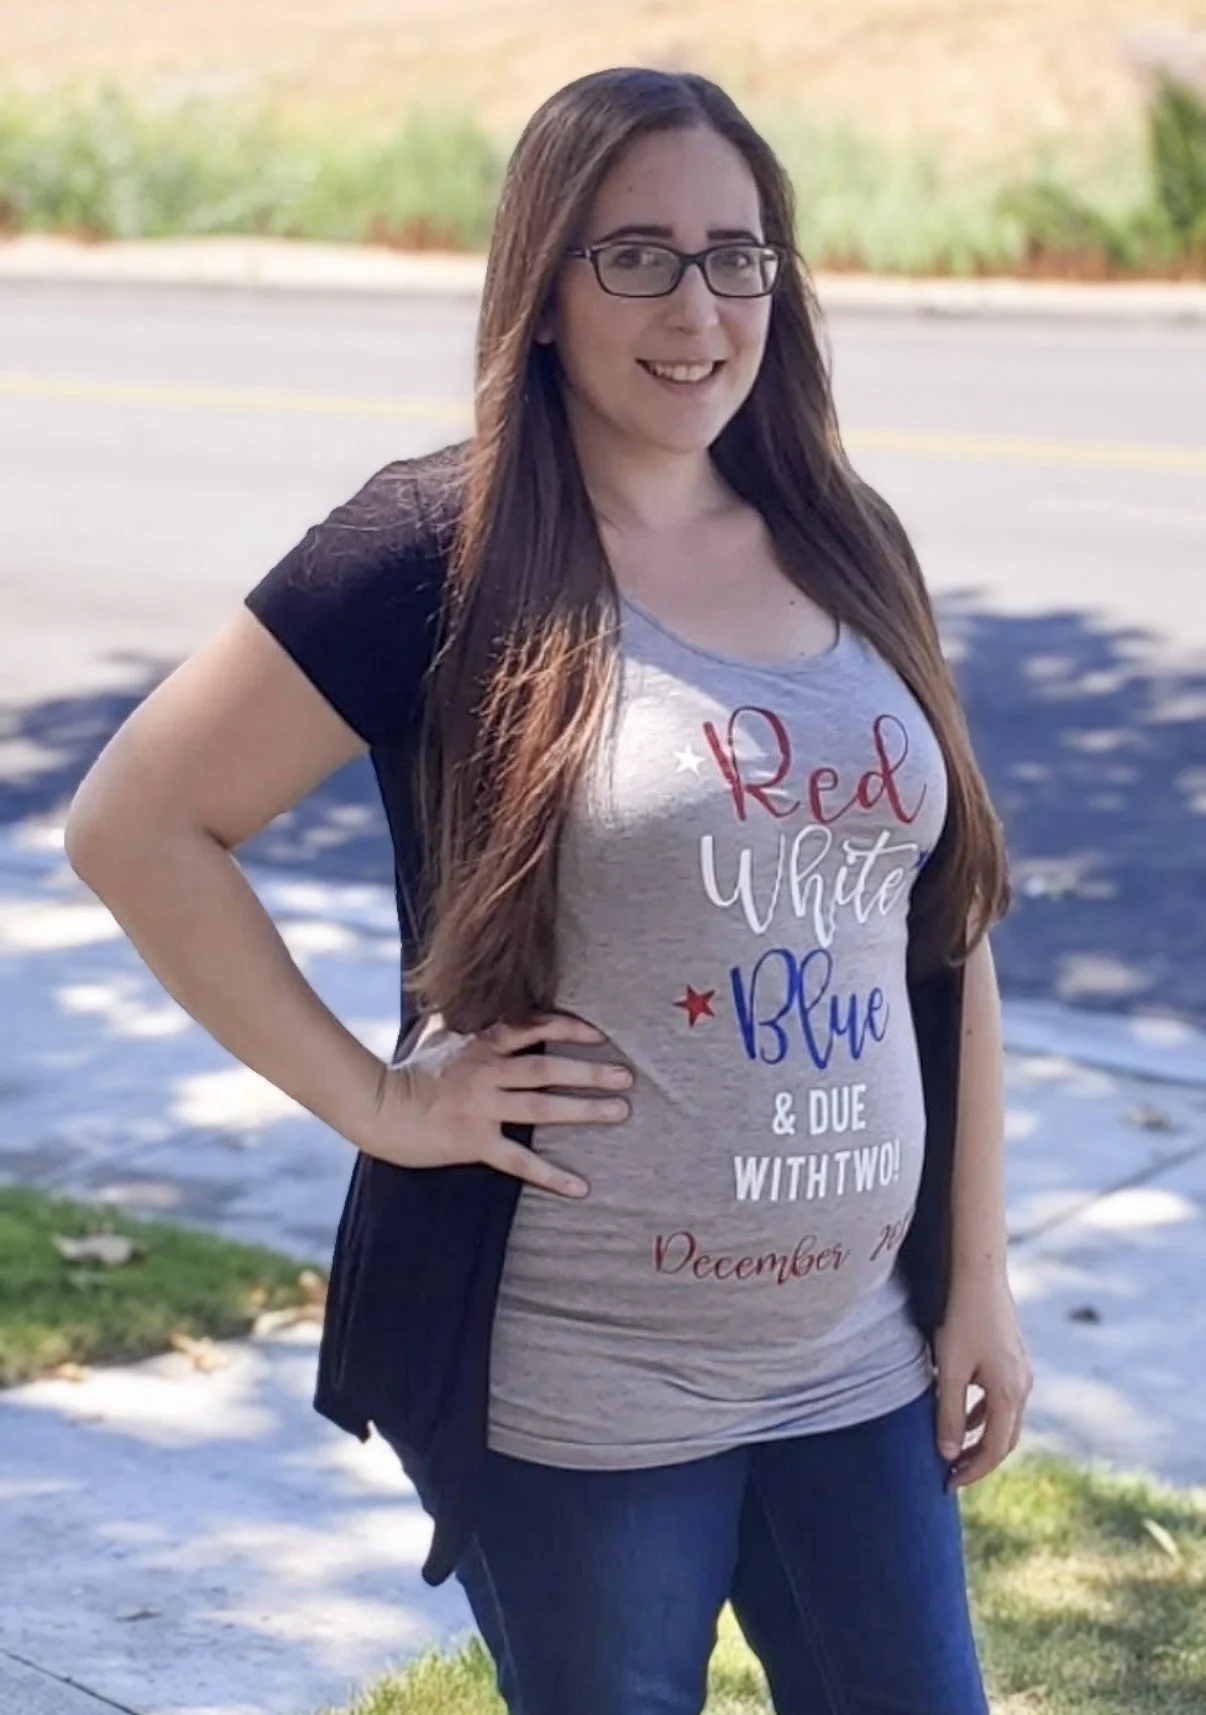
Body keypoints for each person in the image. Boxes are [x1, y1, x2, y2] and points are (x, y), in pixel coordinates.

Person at [65, 64, 1033, 1715]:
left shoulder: (844, 533)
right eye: (635, 254)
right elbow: (137, 824)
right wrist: (378, 1099)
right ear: (543, 285)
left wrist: (976, 1277)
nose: (697, 305)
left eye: (737, 255)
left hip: (852, 1361)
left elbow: (934, 926)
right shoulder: (437, 546)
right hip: (580, 1381)